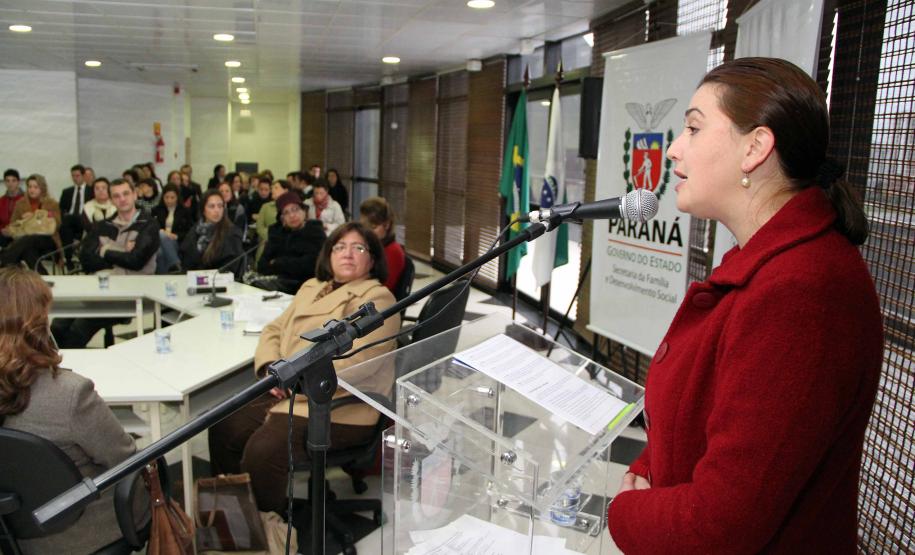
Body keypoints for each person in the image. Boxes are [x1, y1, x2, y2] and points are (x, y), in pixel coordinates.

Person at [607, 58, 883, 554]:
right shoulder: (775, 265)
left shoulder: (802, 292)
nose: (673, 149)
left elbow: (721, 525)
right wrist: (650, 468)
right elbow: (704, 423)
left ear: (755, 148)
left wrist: (623, 512)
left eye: (693, 128)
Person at [208, 222, 401, 513]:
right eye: (339, 247)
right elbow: (275, 328)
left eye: (358, 247)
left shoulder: (377, 299)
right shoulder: (312, 287)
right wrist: (272, 368)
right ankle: (232, 521)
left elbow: (358, 362)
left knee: (264, 451)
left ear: (372, 260)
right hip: (287, 385)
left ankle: (266, 530)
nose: (347, 254)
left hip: (337, 402)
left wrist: (294, 380)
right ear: (329, 255)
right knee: (224, 425)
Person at [0, 267, 146, 554]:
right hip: (81, 534)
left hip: (15, 533)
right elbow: (125, 458)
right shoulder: (70, 394)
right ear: (39, 321)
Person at [52, 179, 160, 348]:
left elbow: (136, 261)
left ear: (134, 194)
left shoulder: (148, 225)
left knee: (79, 328)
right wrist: (123, 253)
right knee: (58, 324)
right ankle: (61, 363)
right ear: (111, 199)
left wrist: (105, 250)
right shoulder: (105, 225)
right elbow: (86, 258)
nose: (122, 199)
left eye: (125, 194)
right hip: (100, 289)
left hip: (132, 293)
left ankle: (67, 366)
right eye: (116, 196)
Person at [257, 192, 326, 293]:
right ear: (282, 219)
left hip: (308, 288)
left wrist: (278, 262)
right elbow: (262, 266)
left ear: (304, 211)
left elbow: (310, 266)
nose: (292, 215)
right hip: (278, 288)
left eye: (295, 209)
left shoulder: (315, 232)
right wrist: (292, 263)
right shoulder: (277, 234)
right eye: (286, 212)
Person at [0, 174, 62, 271]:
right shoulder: (20, 203)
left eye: (35, 187)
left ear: (42, 188)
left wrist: (34, 216)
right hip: (25, 241)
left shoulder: (51, 203)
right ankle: (43, 277)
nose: (32, 190)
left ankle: (4, 263)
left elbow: (57, 223)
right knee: (28, 251)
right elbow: (13, 223)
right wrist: (10, 229)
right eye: (29, 187)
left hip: (48, 240)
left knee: (29, 239)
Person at [180, 189, 245, 275]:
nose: (217, 210)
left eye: (220, 206)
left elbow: (230, 267)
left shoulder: (232, 233)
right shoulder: (195, 230)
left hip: (219, 282)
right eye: (212, 206)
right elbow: (185, 258)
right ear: (203, 210)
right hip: (193, 280)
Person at [359, 196, 405, 292]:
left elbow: (382, 288)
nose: (367, 232)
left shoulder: (393, 251)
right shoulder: (369, 245)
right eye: (364, 226)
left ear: (387, 225)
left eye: (373, 227)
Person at [153, 184, 193, 273]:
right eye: (166, 197)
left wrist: (176, 236)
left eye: (172, 197)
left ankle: (173, 267)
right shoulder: (157, 210)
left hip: (177, 241)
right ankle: (176, 265)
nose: (169, 200)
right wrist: (162, 232)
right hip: (158, 242)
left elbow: (190, 231)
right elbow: (151, 229)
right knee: (159, 252)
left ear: (177, 198)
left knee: (162, 241)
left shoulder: (185, 211)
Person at [58, 163, 93, 256]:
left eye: (77, 176)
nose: (75, 178)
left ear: (83, 176)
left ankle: (76, 242)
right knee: (65, 224)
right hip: (70, 219)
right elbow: (61, 208)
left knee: (75, 220)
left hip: (84, 218)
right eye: (73, 176)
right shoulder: (67, 192)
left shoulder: (91, 190)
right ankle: (68, 257)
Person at [255, 179, 290, 263]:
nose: (272, 190)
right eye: (272, 188)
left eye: (276, 188)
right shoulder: (266, 206)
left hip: (286, 246)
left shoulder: (291, 208)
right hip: (266, 244)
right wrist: (272, 237)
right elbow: (259, 227)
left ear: (285, 191)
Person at [0, 168, 23, 247]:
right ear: (5, 183)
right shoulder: (1, 201)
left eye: (13, 180)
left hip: (20, 235)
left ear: (18, 182)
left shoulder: (25, 200)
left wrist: (13, 231)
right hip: (3, 234)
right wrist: (2, 230)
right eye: (8, 181)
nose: (10, 183)